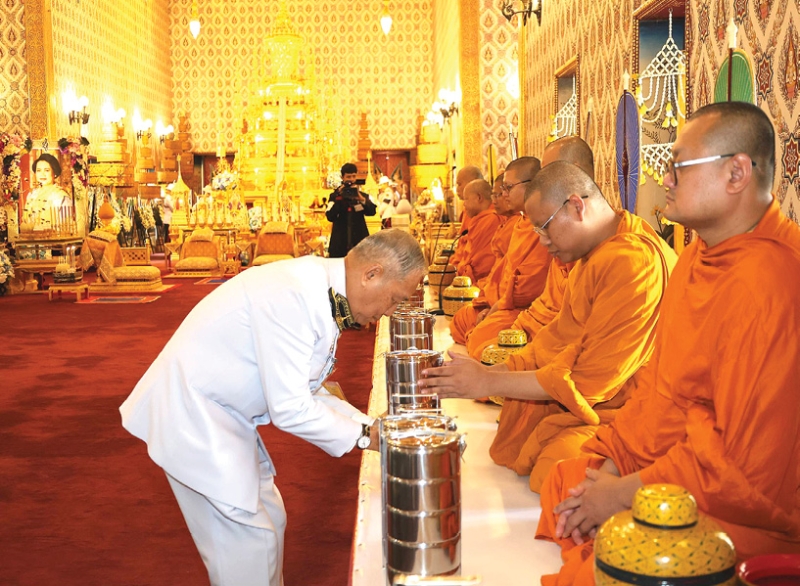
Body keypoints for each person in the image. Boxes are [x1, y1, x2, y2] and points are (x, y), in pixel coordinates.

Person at [536, 102, 800, 585]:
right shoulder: (697, 259)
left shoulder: (771, 283)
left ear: (736, 173)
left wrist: (622, 494)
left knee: (611, 558)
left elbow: (744, 472)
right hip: (678, 464)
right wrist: (612, 468)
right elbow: (662, 396)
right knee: (569, 478)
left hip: (751, 515)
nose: (666, 176)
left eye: (678, 164)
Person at [120, 229, 427, 586]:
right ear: (371, 273)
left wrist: (372, 426)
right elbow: (291, 408)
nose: (389, 312)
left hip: (225, 416)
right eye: (393, 299)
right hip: (194, 416)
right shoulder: (296, 293)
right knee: (249, 544)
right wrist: (368, 436)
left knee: (271, 522)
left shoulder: (318, 286)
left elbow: (309, 390)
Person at [424, 161, 676, 491]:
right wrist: (493, 373)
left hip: (640, 408)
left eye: (544, 228)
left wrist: (488, 381)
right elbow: (556, 340)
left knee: (555, 471)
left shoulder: (632, 262)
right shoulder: (590, 256)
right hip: (599, 399)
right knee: (535, 446)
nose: (542, 242)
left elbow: (591, 381)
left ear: (575, 206)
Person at [449, 157, 551, 349]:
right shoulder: (521, 223)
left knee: (480, 342)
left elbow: (529, 288)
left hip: (524, 309)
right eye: (501, 190)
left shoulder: (542, 225)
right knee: (461, 321)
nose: (503, 195)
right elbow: (503, 271)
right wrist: (490, 303)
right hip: (502, 301)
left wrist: (496, 306)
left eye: (508, 188)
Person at [454, 179, 503, 285]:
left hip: (481, 284)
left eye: (466, 199)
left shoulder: (491, 220)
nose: (464, 204)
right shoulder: (479, 219)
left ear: (479, 198)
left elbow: (481, 264)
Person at [326, 163, 377, 257]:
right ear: (342, 177)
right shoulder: (334, 196)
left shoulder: (362, 195)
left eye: (354, 176)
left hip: (359, 240)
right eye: (348, 176)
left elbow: (372, 211)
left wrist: (361, 199)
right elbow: (330, 216)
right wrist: (339, 197)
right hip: (340, 242)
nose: (351, 179)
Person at [22, 153, 73, 232]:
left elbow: (66, 227)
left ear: (54, 173)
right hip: (29, 240)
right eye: (38, 170)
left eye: (47, 170)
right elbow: (25, 221)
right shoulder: (31, 195)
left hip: (53, 241)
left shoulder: (61, 196)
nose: (42, 174)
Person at [447, 165, 484, 268]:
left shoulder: (490, 217)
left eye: (459, 184)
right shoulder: (467, 211)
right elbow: (462, 245)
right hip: (461, 266)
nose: (457, 189)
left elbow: (478, 257)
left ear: (472, 183)